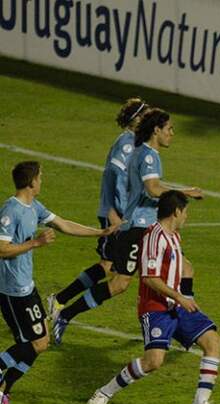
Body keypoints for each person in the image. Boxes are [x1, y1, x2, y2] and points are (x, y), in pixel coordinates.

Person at [50, 108, 203, 344]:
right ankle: (65, 314)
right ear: (157, 130)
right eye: (169, 128)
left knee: (185, 269)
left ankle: (186, 322)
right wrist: (185, 192)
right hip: (138, 229)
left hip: (151, 228)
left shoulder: (143, 151)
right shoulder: (148, 156)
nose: (172, 133)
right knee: (120, 283)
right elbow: (153, 189)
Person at [86, 191, 220, 404]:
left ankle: (199, 403)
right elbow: (149, 277)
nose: (186, 216)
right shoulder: (154, 237)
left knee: (213, 341)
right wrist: (180, 297)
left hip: (177, 305)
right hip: (155, 308)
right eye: (185, 212)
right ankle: (104, 392)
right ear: (176, 211)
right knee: (153, 362)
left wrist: (187, 296)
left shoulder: (174, 236)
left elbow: (184, 267)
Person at [0, 161, 116, 404]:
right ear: (31, 182)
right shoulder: (11, 210)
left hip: (27, 287)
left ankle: (3, 390)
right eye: (40, 177)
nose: (42, 181)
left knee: (40, 343)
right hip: (12, 291)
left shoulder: (34, 206)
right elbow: (2, 248)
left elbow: (63, 224)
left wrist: (100, 232)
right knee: (33, 343)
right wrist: (36, 243)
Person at [47, 97, 146, 331]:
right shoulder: (127, 144)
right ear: (135, 120)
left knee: (108, 264)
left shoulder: (136, 143)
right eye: (145, 115)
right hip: (117, 214)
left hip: (123, 214)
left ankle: (59, 300)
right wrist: (113, 212)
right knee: (116, 274)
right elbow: (112, 175)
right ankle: (62, 307)